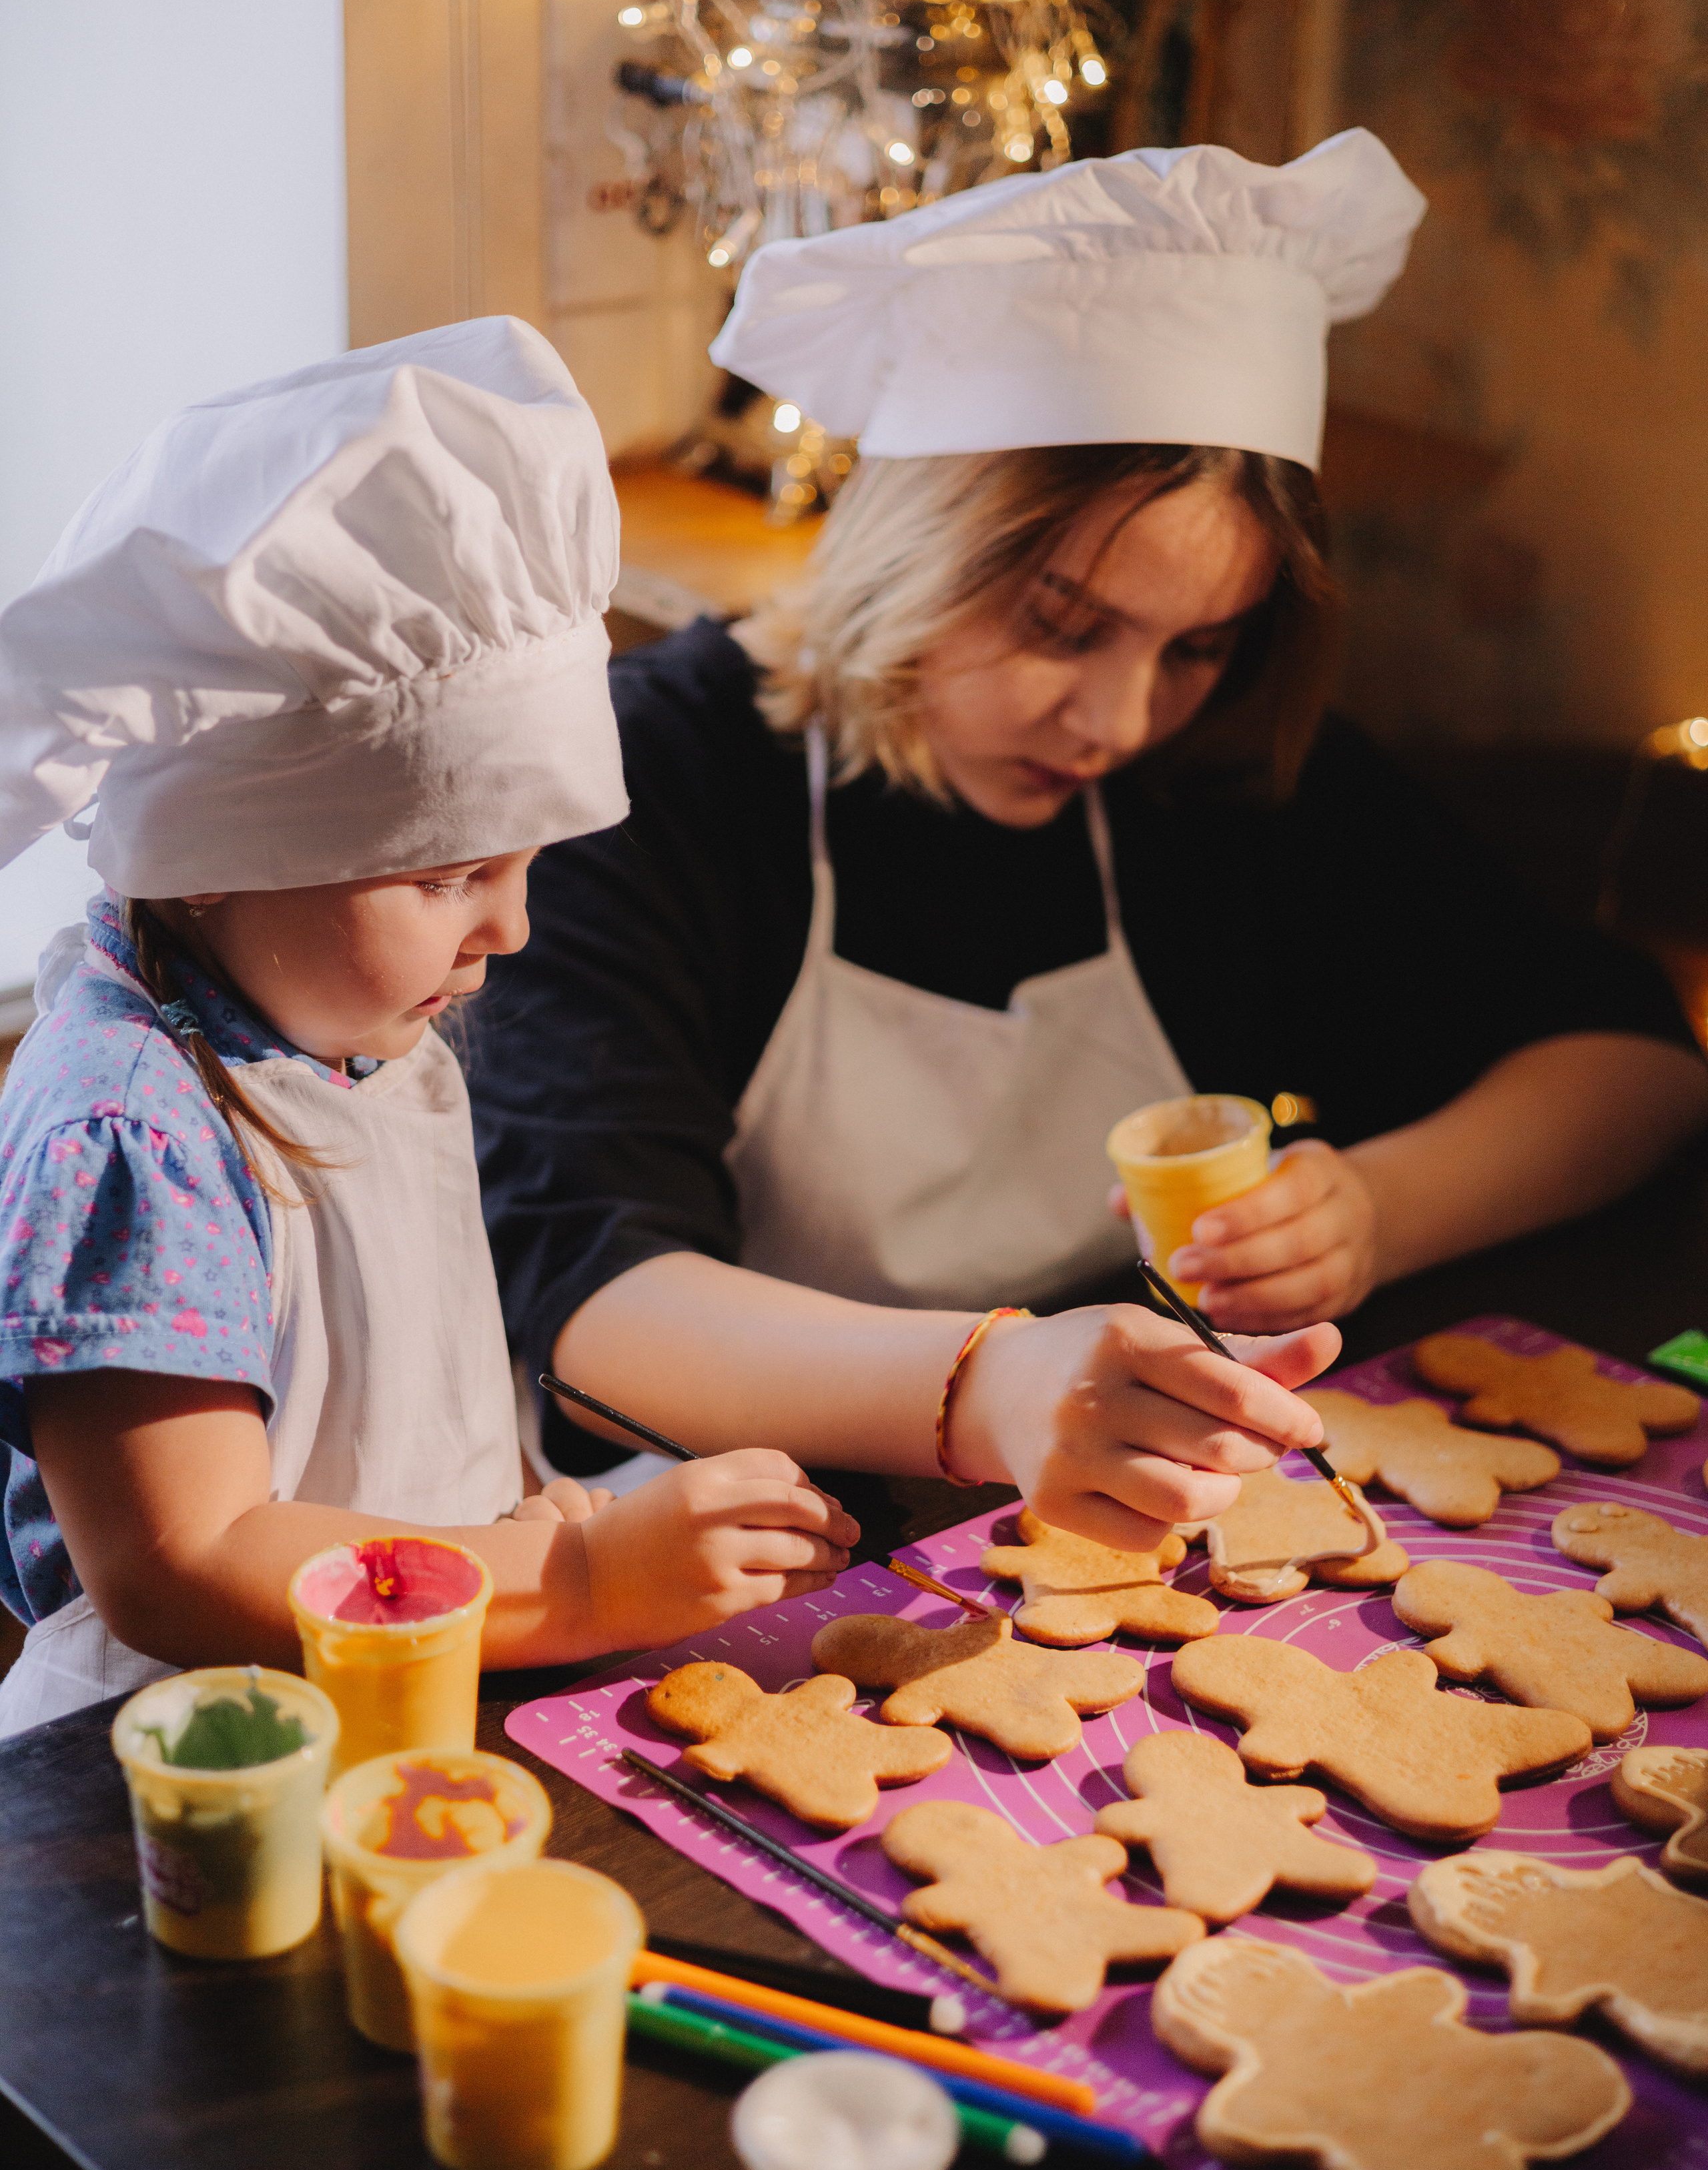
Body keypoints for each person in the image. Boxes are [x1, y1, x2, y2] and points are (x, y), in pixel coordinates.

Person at [470, 133, 1708, 1518]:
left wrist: (1371, 1209)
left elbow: (1633, 1064)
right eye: (1062, 626)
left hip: (1128, 1502)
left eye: (1196, 649)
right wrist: (988, 1390)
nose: (1117, 722)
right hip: (737, 1537)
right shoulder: (654, 778)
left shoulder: (1217, 781)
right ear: (911, 540)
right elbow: (596, 1308)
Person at [0, 318, 864, 1732]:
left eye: (524, 866)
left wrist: (536, 1517)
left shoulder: (346, 1016)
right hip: (206, 1756)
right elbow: (185, 1560)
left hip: (417, 1676)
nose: (509, 930)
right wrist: (573, 1580)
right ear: (215, 852)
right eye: (448, 874)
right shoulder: (134, 1127)